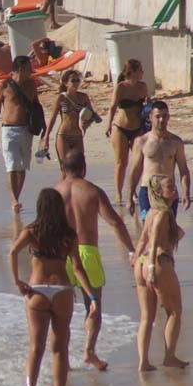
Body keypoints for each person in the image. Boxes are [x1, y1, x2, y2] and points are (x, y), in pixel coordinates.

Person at [9, 189, 98, 386]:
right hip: (62, 293)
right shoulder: (68, 235)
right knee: (59, 350)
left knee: (36, 348)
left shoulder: (31, 232)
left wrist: (17, 282)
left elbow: (12, 252)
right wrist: (91, 296)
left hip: (37, 291)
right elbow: (77, 268)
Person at [55, 151, 135, 370]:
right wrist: (132, 250)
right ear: (84, 167)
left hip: (61, 255)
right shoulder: (92, 191)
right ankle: (89, 351)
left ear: (63, 169)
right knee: (93, 305)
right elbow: (115, 222)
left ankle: (63, 357)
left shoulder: (55, 192)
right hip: (87, 252)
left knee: (62, 310)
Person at [132, 174, 187, 372]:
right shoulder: (163, 213)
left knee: (146, 317)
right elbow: (154, 239)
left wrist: (135, 259)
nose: (174, 189)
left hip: (142, 262)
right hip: (158, 262)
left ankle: (143, 362)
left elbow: (142, 240)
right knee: (174, 312)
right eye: (169, 187)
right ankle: (169, 357)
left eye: (174, 186)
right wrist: (151, 269)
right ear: (158, 192)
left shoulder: (152, 212)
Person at [0, 56, 39, 212]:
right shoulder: (3, 85)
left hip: (26, 129)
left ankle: (17, 197)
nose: (31, 71)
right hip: (9, 129)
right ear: (21, 69)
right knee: (11, 166)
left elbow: (36, 106)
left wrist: (40, 127)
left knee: (22, 166)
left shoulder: (31, 85)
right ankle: (14, 200)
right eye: (29, 68)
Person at [127, 100, 192, 221]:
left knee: (168, 228)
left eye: (165, 116)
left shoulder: (175, 142)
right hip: (147, 191)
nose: (162, 120)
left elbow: (184, 170)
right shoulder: (142, 141)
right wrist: (129, 197)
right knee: (148, 226)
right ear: (150, 117)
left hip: (168, 191)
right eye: (158, 116)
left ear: (168, 117)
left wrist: (186, 194)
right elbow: (135, 171)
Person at [104, 59, 149, 204]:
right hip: (120, 128)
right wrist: (108, 125)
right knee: (121, 162)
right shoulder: (121, 87)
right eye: (140, 69)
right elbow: (112, 107)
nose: (142, 72)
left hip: (137, 128)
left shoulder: (143, 86)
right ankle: (118, 193)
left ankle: (132, 190)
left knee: (138, 161)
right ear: (132, 72)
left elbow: (147, 105)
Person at [42, 70, 96, 168]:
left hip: (78, 136)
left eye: (77, 80)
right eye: (73, 81)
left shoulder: (84, 97)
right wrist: (46, 137)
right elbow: (53, 118)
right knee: (65, 169)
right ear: (66, 83)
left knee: (79, 168)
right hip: (63, 136)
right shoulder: (61, 98)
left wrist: (86, 124)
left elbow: (92, 115)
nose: (76, 83)